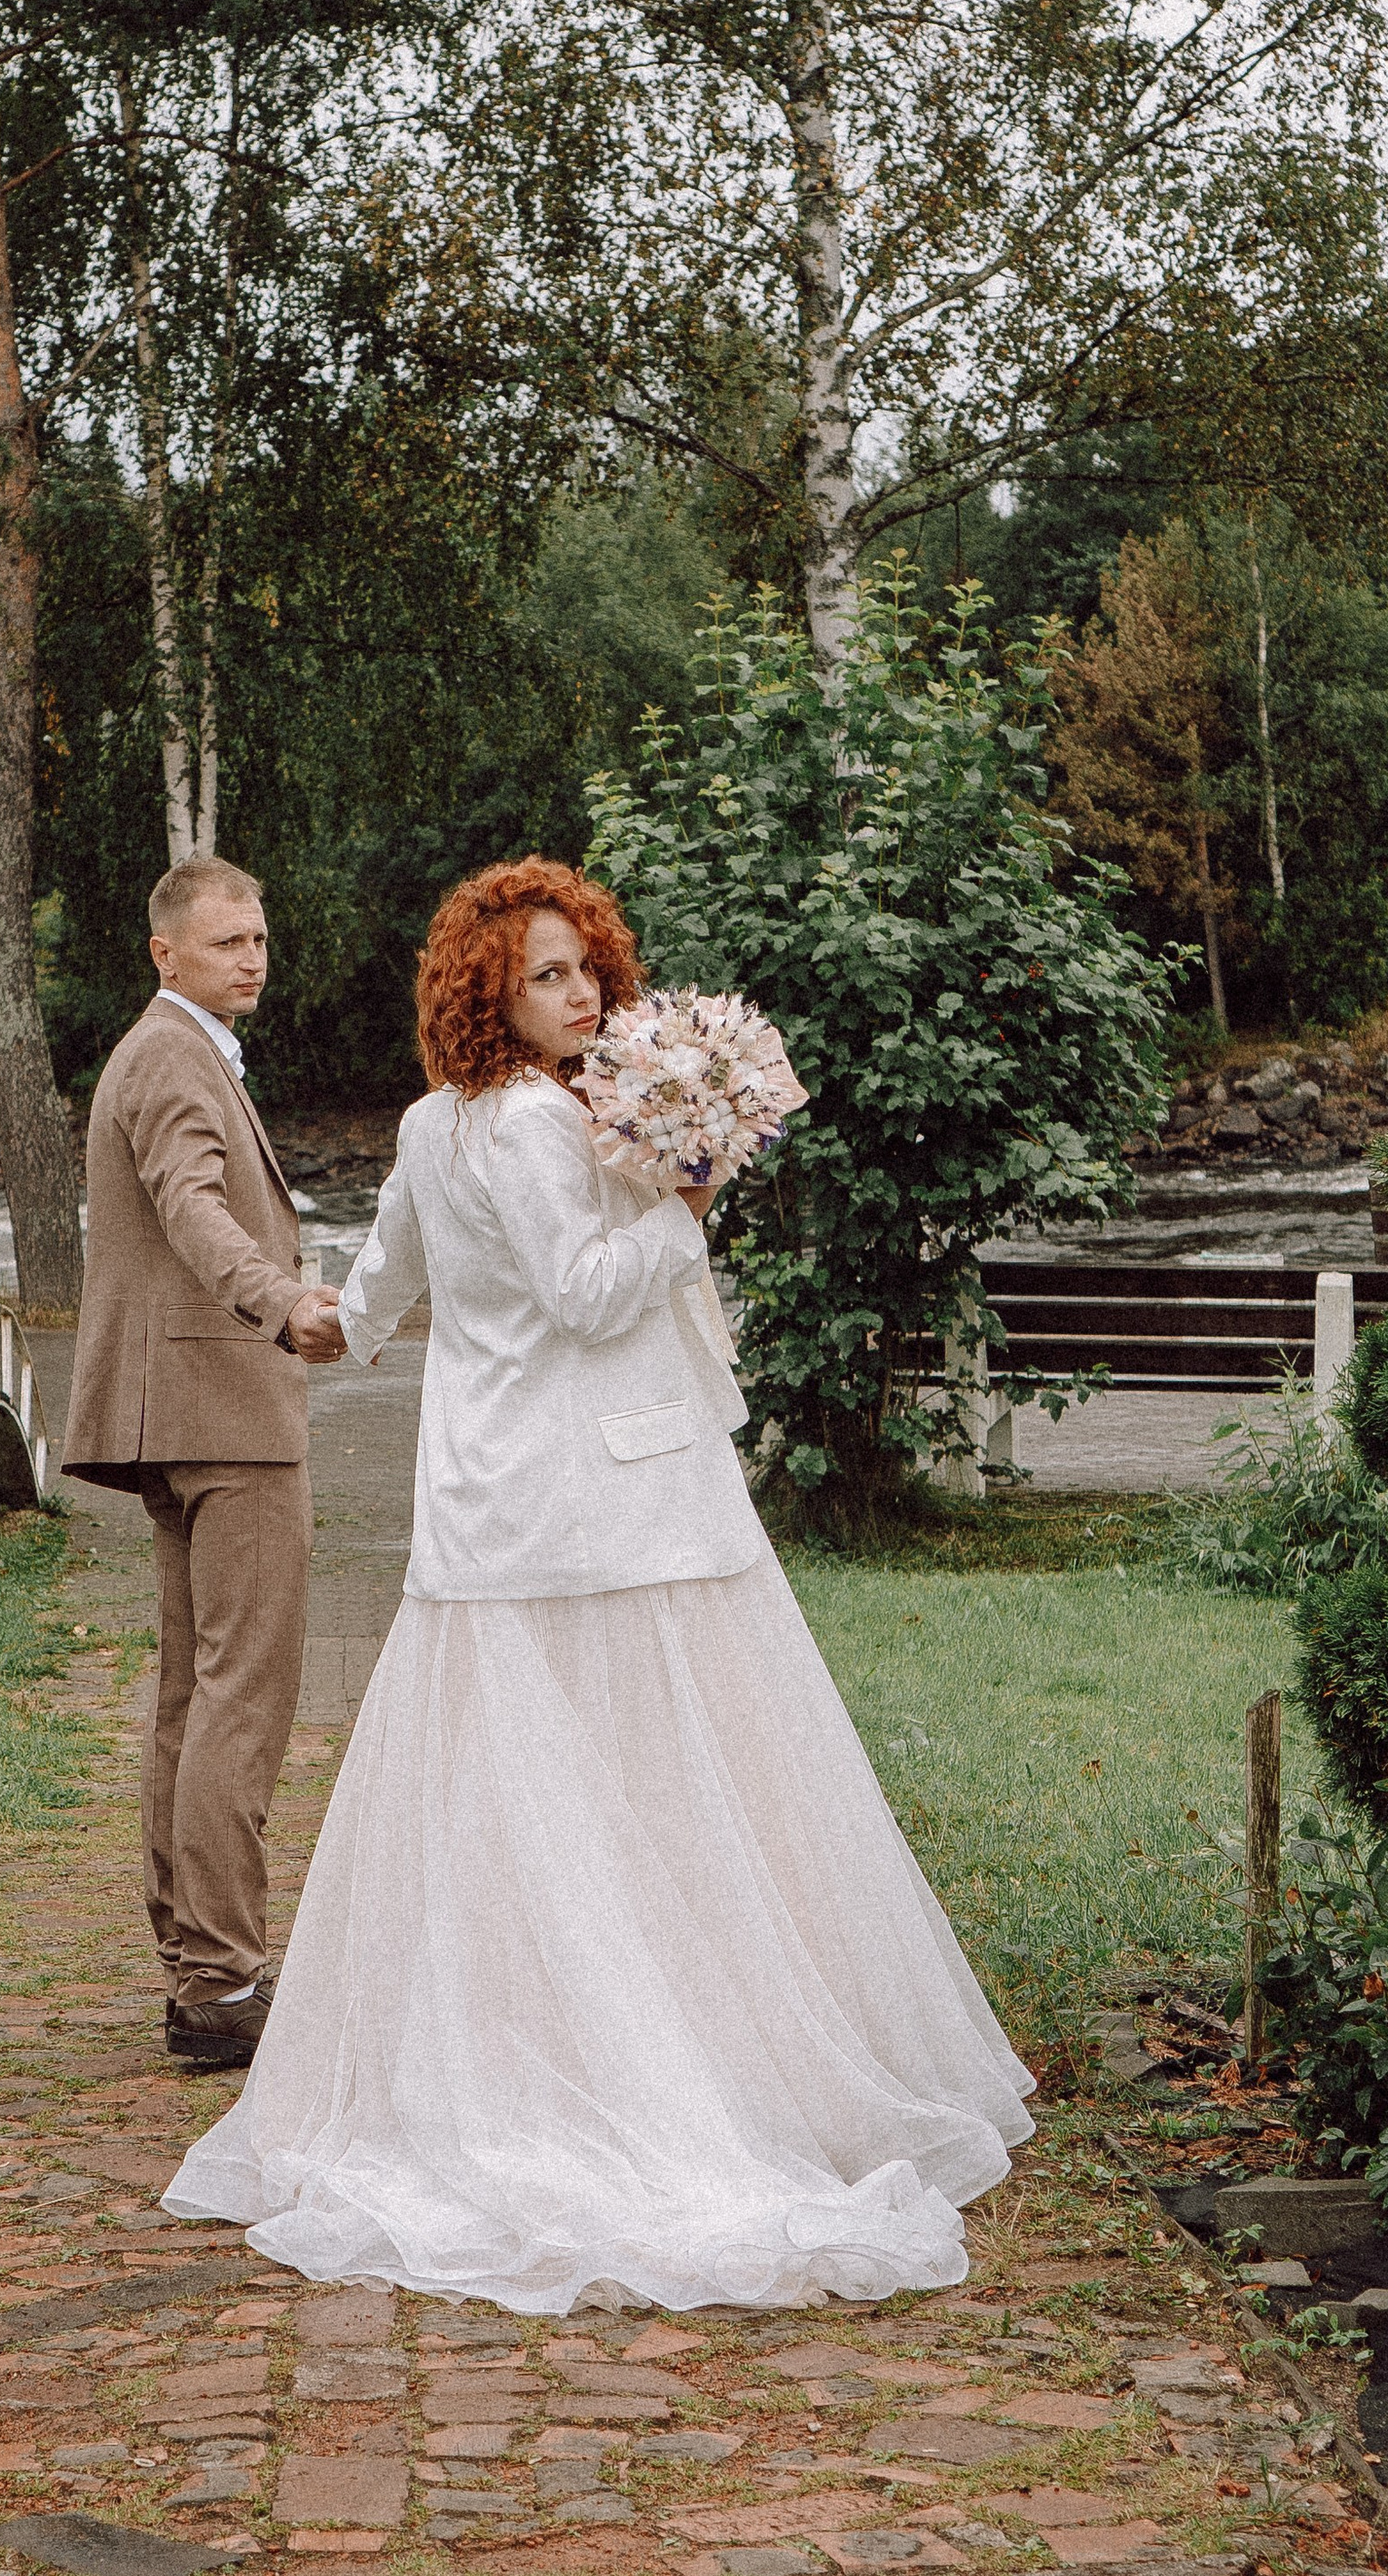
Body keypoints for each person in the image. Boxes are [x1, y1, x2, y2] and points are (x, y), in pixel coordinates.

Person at [165, 854, 1034, 2309]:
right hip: (610, 1505)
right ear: (486, 994)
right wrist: (689, 1198)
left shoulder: (437, 1124)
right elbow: (580, 1294)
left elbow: (375, 1296)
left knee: (536, 1797)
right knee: (659, 1779)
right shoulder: (524, 1126)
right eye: (546, 976)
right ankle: (653, 2065)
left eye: (588, 969)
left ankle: (550, 2039)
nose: (580, 995)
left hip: (497, 1512)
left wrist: (315, 1326)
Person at [62, 855, 346, 2073]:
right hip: (224, 1411)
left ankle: (202, 1975)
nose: (252, 960)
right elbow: (191, 1206)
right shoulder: (174, 1056)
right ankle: (223, 1982)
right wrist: (279, 1300)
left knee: (194, 1695)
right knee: (242, 1696)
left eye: (261, 939)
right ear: (163, 950)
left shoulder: (172, 1049)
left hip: (181, 1410)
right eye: (227, 941)